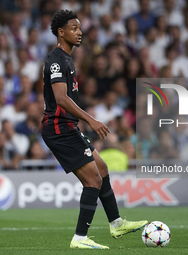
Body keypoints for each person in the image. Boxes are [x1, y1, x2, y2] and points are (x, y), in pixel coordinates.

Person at [41, 10, 147, 249]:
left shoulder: (68, 59)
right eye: (74, 28)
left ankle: (116, 222)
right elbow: (61, 98)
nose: (79, 32)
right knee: (93, 180)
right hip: (59, 127)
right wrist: (91, 119)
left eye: (80, 28)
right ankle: (79, 238)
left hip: (67, 126)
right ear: (61, 32)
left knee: (101, 167)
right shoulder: (56, 59)